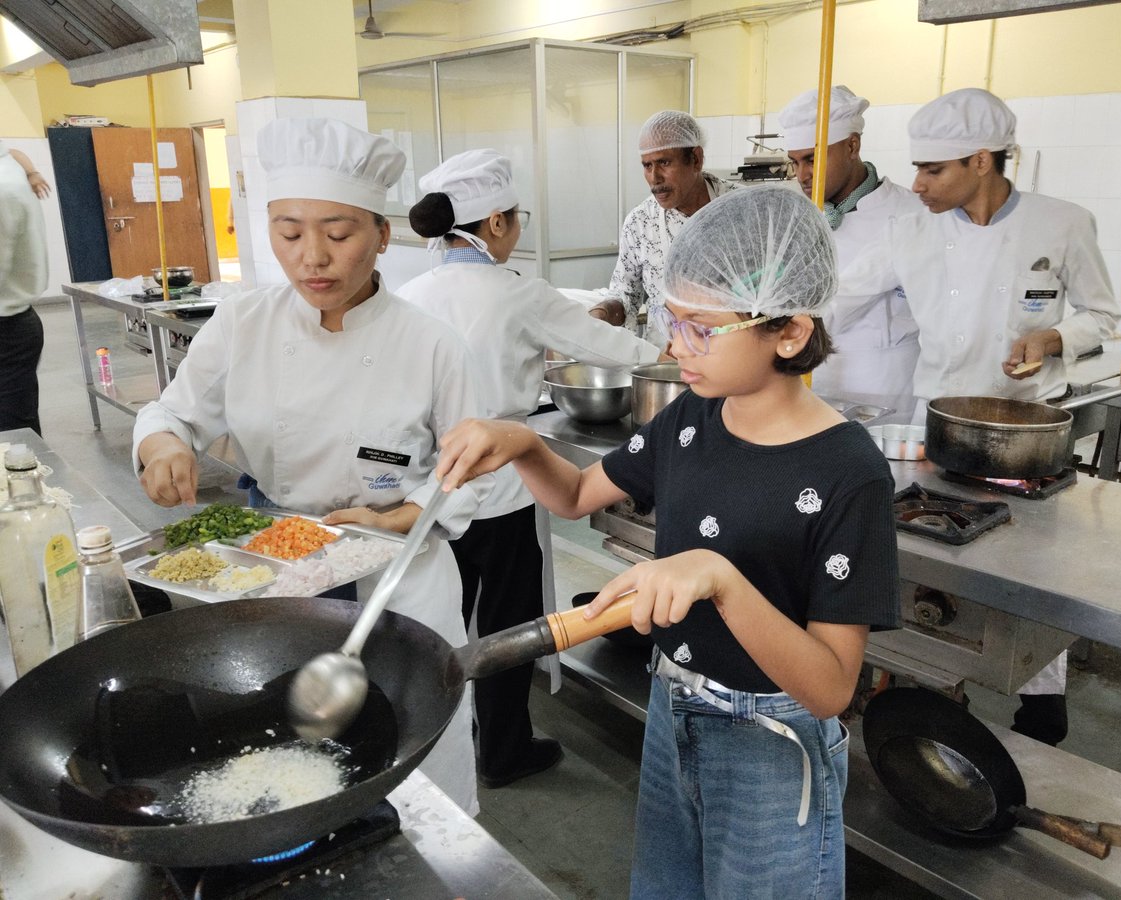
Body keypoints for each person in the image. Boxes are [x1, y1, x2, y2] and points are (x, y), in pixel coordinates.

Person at [437, 184, 901, 898]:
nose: (674, 345)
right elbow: (576, 495)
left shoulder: (847, 471)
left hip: (770, 742)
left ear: (790, 333)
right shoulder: (691, 418)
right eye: (673, 321)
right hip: (672, 709)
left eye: (700, 329)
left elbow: (831, 689)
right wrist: (523, 444)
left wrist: (722, 578)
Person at [131, 117, 492, 815]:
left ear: (382, 235)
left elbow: (464, 482)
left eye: (339, 232)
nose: (312, 258)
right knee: (288, 761)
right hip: (277, 571)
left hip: (398, 581)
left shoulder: (432, 345)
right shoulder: (244, 322)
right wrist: (164, 446)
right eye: (289, 233)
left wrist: (392, 516)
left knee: (418, 775)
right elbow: (168, 412)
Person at [841, 88, 1121, 746]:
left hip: (1027, 436)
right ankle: (930, 682)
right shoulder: (913, 230)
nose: (916, 185)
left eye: (931, 170)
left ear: (979, 161)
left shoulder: (1063, 224)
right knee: (931, 561)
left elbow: (1102, 316)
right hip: (937, 430)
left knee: (1032, 572)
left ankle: (1042, 703)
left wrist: (1052, 340)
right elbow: (840, 294)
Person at [389, 148, 661, 788]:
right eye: (516, 218)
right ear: (494, 225)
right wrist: (682, 359)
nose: (517, 230)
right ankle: (503, 751)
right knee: (509, 630)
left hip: (431, 490)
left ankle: (429, 750)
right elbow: (615, 349)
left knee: (437, 623)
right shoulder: (518, 294)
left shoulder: (410, 293)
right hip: (504, 492)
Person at [779, 85, 924, 411]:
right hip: (808, 380)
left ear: (852, 145)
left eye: (812, 159)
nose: (803, 175)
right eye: (795, 162)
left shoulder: (912, 215)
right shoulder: (795, 216)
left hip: (886, 388)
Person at [588, 110, 736, 337]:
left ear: (696, 159)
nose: (654, 178)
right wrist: (603, 312)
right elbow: (626, 294)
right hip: (667, 358)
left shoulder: (741, 210)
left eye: (664, 163)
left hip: (735, 354)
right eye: (647, 166)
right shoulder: (640, 223)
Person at [0, 141, 52, 436]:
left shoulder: (3, 189)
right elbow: (13, 152)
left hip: (7, 329)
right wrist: (32, 172)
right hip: (14, 322)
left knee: (12, 434)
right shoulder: (9, 165)